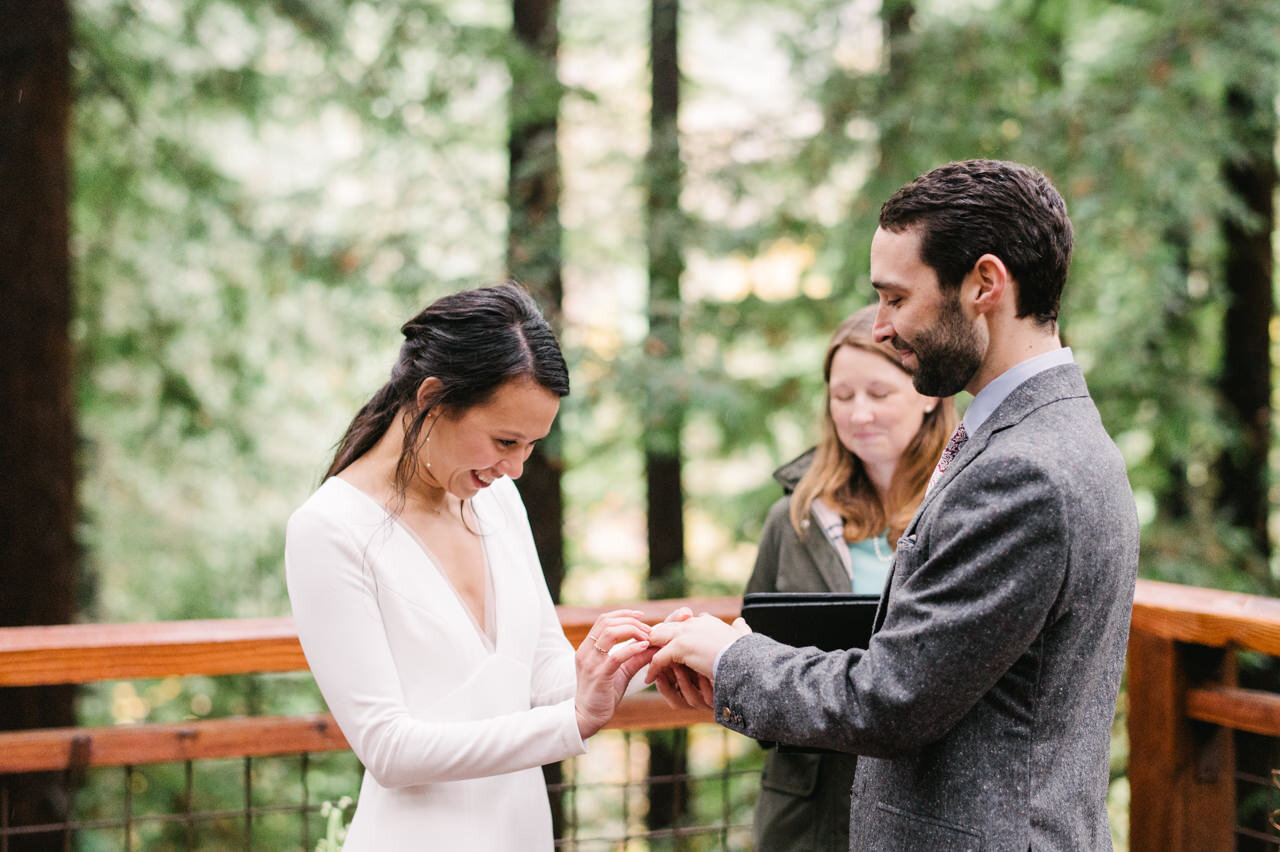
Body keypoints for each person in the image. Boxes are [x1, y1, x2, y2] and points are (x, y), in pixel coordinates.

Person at [648, 159, 1140, 850]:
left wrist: (734, 658)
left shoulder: (1024, 470)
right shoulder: (1047, 432)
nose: (881, 327)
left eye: (896, 298)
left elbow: (894, 699)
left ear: (984, 284)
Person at [285, 283, 655, 850]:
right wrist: (572, 723)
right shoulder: (329, 528)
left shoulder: (497, 500)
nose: (514, 468)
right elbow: (389, 749)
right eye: (505, 440)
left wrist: (631, 663)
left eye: (530, 446)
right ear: (432, 397)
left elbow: (541, 673)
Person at [746, 305, 955, 850]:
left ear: (929, 393)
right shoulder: (793, 519)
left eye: (879, 394)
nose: (859, 413)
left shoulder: (962, 513)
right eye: (843, 396)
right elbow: (751, 661)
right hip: (809, 817)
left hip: (927, 804)